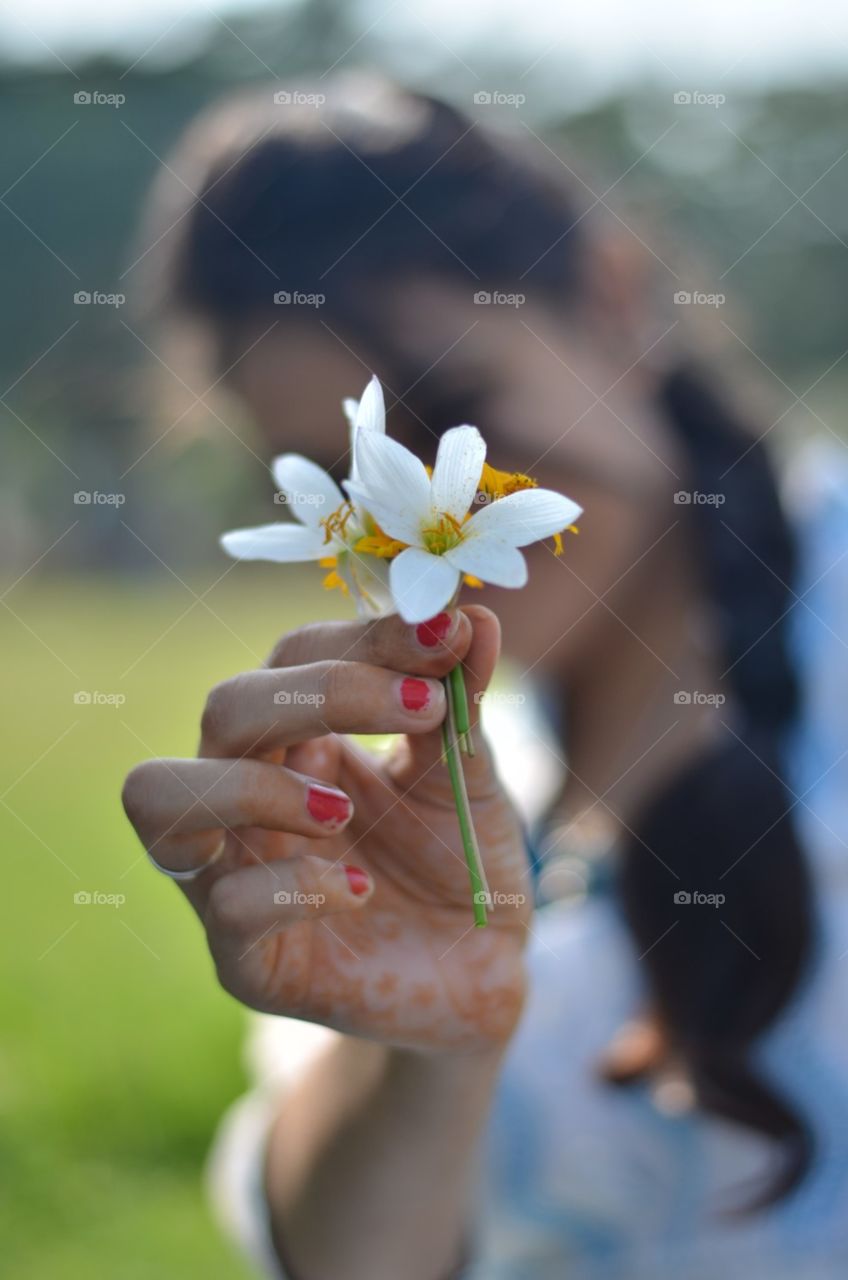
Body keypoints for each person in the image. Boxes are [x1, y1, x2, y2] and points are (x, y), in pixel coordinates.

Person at [122, 76, 848, 1278]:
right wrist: (420, 1048)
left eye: (452, 413)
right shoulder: (421, 799)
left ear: (613, 301)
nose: (413, 523)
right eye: (339, 478)